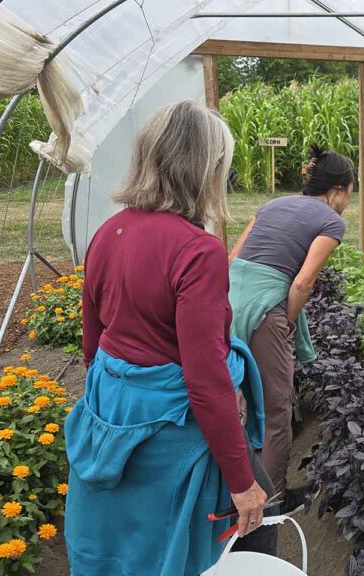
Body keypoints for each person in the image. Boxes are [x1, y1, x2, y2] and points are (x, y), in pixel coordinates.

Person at [64, 101, 271, 576]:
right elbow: (205, 380)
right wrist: (242, 484)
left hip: (113, 418)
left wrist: (118, 411)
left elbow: (93, 346)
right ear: (204, 169)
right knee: (247, 529)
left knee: (123, 548)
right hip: (170, 436)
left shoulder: (108, 233)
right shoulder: (197, 251)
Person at [228, 144, 353, 513]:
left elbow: (232, 257)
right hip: (265, 308)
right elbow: (302, 282)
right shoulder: (331, 221)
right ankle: (271, 503)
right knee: (275, 411)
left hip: (228, 301)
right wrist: (287, 322)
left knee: (235, 398)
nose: (347, 202)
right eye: (350, 193)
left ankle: (231, 485)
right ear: (338, 190)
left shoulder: (271, 205)